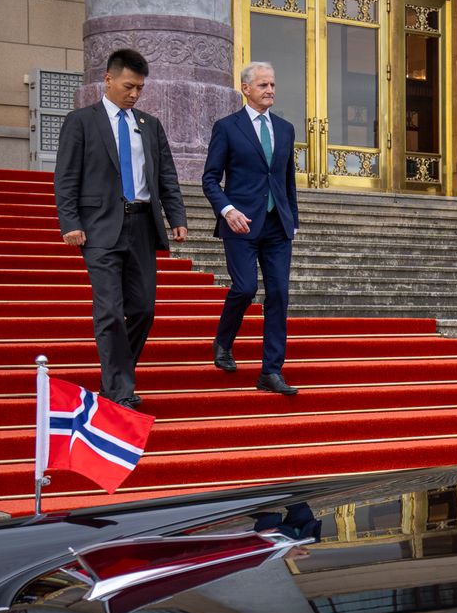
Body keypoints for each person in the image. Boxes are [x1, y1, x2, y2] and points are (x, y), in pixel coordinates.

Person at [53, 48, 188, 409]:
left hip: (142, 224)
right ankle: (119, 389)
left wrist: (177, 217)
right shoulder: (81, 121)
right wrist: (70, 222)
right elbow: (66, 178)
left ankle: (116, 373)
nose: (134, 94)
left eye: (140, 88)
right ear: (108, 79)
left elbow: (165, 177)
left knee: (143, 308)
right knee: (110, 310)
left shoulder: (149, 125)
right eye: (129, 86)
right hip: (99, 229)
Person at [203, 62, 301, 396]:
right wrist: (227, 210)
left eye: (272, 85)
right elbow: (210, 178)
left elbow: (287, 181)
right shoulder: (227, 127)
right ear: (245, 89)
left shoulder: (285, 129)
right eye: (263, 85)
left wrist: (293, 221)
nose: (270, 90)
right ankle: (223, 342)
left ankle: (271, 371)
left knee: (279, 296)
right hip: (240, 224)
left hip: (277, 226)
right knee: (244, 289)